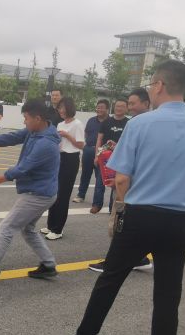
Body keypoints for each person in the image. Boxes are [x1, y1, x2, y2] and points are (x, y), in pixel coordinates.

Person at [71, 59, 185, 335]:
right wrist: (182, 196)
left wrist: (122, 207)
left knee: (111, 278)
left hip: (139, 215)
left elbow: (121, 178)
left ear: (159, 85)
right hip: (179, 219)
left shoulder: (140, 124)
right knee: (168, 296)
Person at [0, 99, 60, 280]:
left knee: (7, 226)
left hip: (38, 194)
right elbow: (11, 137)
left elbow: (20, 170)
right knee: (28, 229)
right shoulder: (35, 131)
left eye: (26, 118)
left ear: (38, 118)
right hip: (42, 192)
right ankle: (48, 265)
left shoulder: (46, 144)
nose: (24, 122)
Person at [89, 88, 153, 272]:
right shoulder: (149, 124)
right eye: (128, 104)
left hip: (129, 183)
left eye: (132, 104)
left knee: (118, 221)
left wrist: (119, 183)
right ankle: (139, 258)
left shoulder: (135, 124)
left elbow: (129, 157)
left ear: (146, 103)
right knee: (132, 222)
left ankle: (113, 262)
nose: (129, 107)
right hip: (142, 184)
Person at [41, 97, 84, 240]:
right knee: (53, 193)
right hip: (58, 158)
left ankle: (58, 229)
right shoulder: (60, 124)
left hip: (70, 159)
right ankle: (50, 225)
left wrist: (67, 135)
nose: (60, 110)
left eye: (62, 108)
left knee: (63, 195)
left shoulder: (77, 124)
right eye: (59, 108)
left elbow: (80, 145)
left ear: (69, 108)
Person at [91, 98, 129, 214]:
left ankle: (112, 208)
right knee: (100, 181)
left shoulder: (129, 123)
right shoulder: (106, 122)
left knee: (117, 183)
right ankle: (96, 204)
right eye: (117, 106)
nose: (119, 108)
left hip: (120, 158)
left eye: (122, 106)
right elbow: (99, 139)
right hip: (104, 157)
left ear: (126, 108)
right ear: (114, 107)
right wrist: (96, 156)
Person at [73, 99, 109, 204]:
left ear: (107, 109)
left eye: (102, 108)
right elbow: (86, 133)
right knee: (85, 174)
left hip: (103, 152)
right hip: (88, 150)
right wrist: (86, 146)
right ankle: (81, 195)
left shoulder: (110, 122)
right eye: (98, 107)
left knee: (100, 177)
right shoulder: (91, 120)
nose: (99, 109)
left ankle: (97, 202)